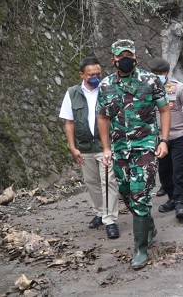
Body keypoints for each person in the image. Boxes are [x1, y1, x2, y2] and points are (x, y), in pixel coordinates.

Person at [97, 39, 170, 270]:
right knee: (127, 194)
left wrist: (164, 140)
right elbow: (102, 117)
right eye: (121, 56)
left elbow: (164, 109)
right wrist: (106, 148)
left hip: (145, 147)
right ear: (114, 59)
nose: (125, 59)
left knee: (140, 195)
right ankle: (148, 224)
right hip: (119, 150)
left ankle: (140, 249)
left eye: (129, 54)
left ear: (135, 56)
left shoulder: (150, 81)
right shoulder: (106, 85)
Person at [59, 57, 120, 239]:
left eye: (98, 74)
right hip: (85, 147)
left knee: (108, 181)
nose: (95, 77)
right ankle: (100, 212)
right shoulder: (72, 93)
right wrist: (72, 147)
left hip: (105, 146)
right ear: (82, 75)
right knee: (91, 182)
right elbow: (69, 122)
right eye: (91, 74)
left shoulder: (108, 90)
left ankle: (110, 219)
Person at [148, 58, 183, 220]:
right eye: (155, 73)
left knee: (179, 170)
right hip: (159, 138)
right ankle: (171, 198)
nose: (157, 76)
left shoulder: (179, 88)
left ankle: (180, 202)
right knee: (164, 171)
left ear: (166, 73)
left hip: (178, 135)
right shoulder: (147, 89)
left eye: (160, 74)